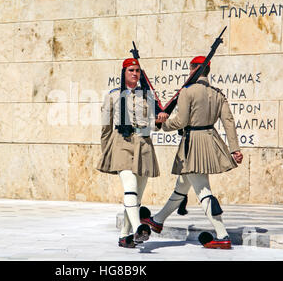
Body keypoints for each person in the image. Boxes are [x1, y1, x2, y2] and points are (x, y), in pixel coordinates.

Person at [141, 56, 243, 249]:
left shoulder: (187, 92)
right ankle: (158, 220)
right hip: (211, 141)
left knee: (203, 191)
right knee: (182, 186)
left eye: (190, 70)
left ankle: (222, 235)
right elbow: (228, 122)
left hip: (193, 144)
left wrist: (163, 124)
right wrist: (234, 149)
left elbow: (180, 121)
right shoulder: (217, 93)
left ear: (194, 70)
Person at [97, 58, 169, 248]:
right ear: (124, 72)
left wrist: (161, 120)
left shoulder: (148, 96)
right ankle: (139, 228)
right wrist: (106, 151)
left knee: (136, 197)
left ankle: (124, 236)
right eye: (131, 70)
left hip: (143, 145)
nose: (135, 73)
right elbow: (105, 127)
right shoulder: (113, 95)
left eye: (137, 70)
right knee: (130, 187)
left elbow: (155, 125)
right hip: (122, 143)